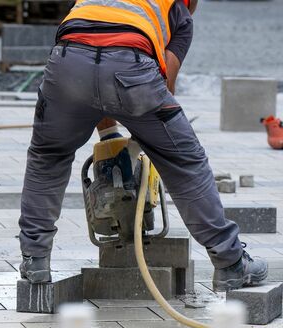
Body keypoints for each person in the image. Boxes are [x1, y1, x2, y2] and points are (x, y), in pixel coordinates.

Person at [18, 0, 268, 291]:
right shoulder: (180, 14)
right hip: (131, 68)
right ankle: (230, 264)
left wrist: (110, 136)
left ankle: (35, 260)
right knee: (184, 162)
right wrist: (145, 142)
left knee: (48, 156)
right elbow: (163, 84)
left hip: (66, 63)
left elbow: (92, 61)